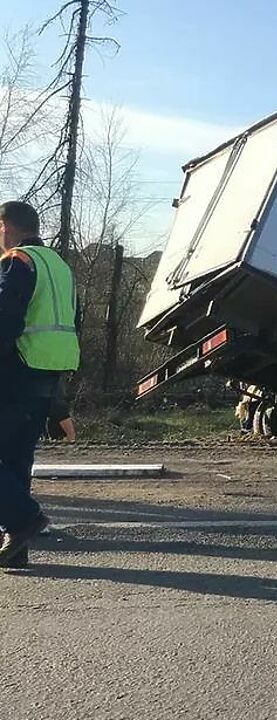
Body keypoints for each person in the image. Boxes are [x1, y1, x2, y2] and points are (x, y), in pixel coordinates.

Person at [0, 201, 81, 569]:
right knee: (16, 460)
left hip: (16, 371)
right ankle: (17, 547)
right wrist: (59, 405)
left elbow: (5, 319)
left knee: (12, 458)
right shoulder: (61, 267)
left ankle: (23, 520)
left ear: (6, 226)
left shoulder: (19, 261)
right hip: (48, 374)